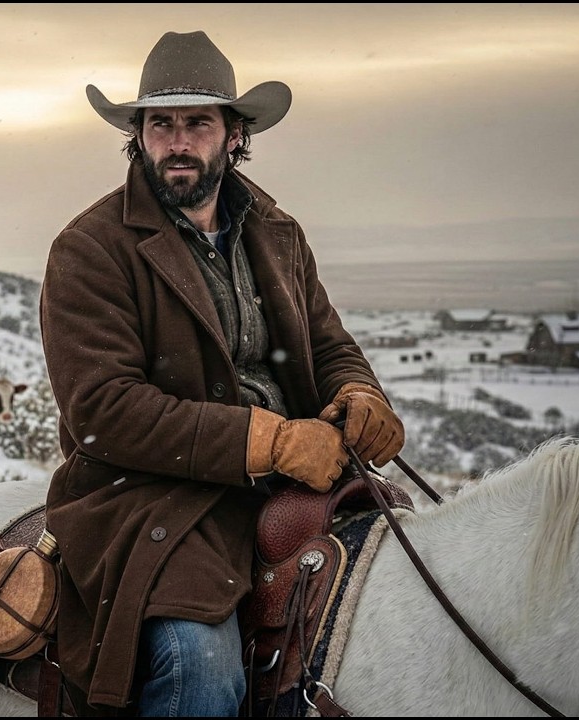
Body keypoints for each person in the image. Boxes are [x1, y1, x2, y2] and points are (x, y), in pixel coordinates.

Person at [39, 31, 404, 717]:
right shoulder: (89, 249)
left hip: (294, 487)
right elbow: (103, 410)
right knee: (201, 667)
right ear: (138, 135)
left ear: (234, 135)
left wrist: (358, 394)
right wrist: (268, 442)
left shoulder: (277, 232)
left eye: (198, 122)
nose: (178, 141)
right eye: (162, 124)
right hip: (150, 496)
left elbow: (326, 344)